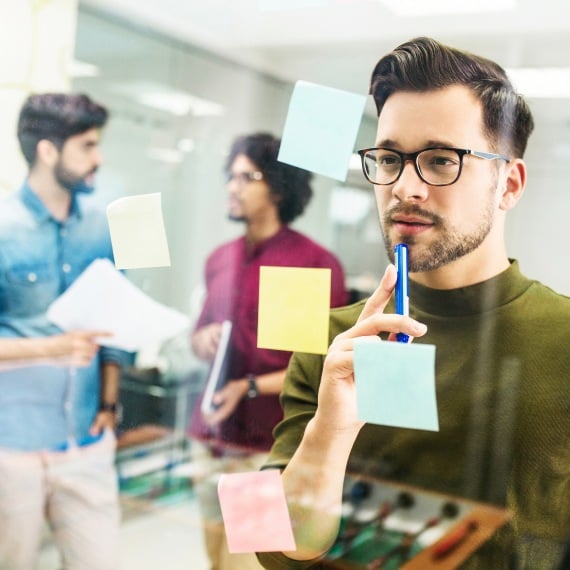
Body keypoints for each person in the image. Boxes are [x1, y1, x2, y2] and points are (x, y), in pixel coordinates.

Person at [257, 37, 570, 570]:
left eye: (441, 160)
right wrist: (330, 431)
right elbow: (274, 549)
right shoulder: (336, 340)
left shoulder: (562, 337)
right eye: (388, 158)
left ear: (509, 184)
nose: (404, 187)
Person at [189, 132, 348, 570]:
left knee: (246, 565)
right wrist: (200, 340)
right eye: (230, 176)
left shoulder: (310, 264)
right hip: (210, 439)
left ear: (277, 187)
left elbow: (315, 367)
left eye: (246, 177)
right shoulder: (220, 258)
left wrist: (249, 386)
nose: (232, 186)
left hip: (263, 447)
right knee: (216, 560)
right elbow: (201, 332)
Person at [0, 93, 129, 570]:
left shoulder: (103, 229)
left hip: (87, 443)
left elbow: (116, 324)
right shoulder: (3, 228)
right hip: (12, 449)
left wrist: (110, 404)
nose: (99, 158)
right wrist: (54, 347)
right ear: (48, 151)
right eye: (88, 146)